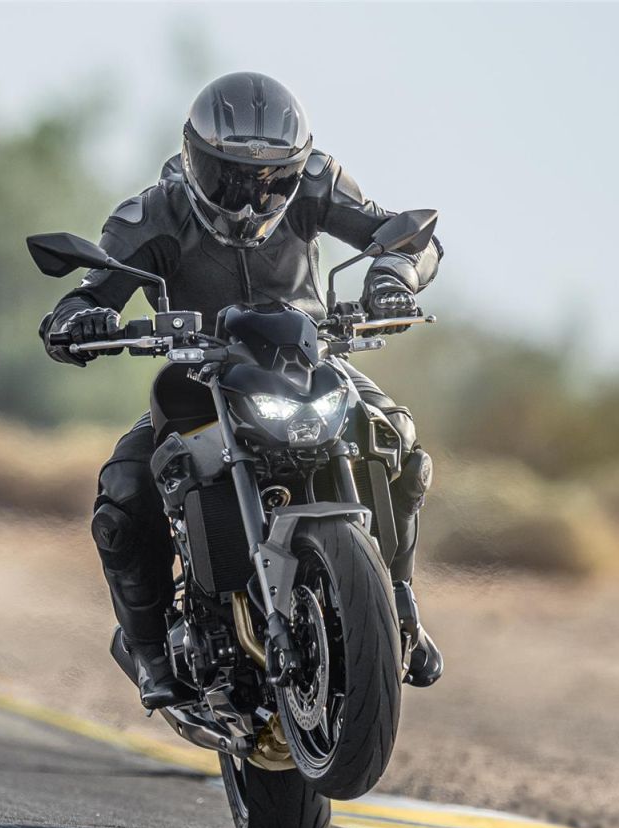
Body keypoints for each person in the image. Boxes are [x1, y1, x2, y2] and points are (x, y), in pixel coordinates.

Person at [39, 72, 444, 709]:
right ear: (193, 158)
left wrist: (393, 274)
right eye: (230, 179)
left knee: (398, 441)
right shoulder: (153, 215)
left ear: (297, 170)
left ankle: (397, 597)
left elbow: (412, 237)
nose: (253, 201)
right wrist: (80, 318)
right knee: (126, 486)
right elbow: (89, 291)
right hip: (201, 375)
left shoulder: (319, 184)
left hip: (307, 361)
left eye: (273, 182)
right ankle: (149, 650)